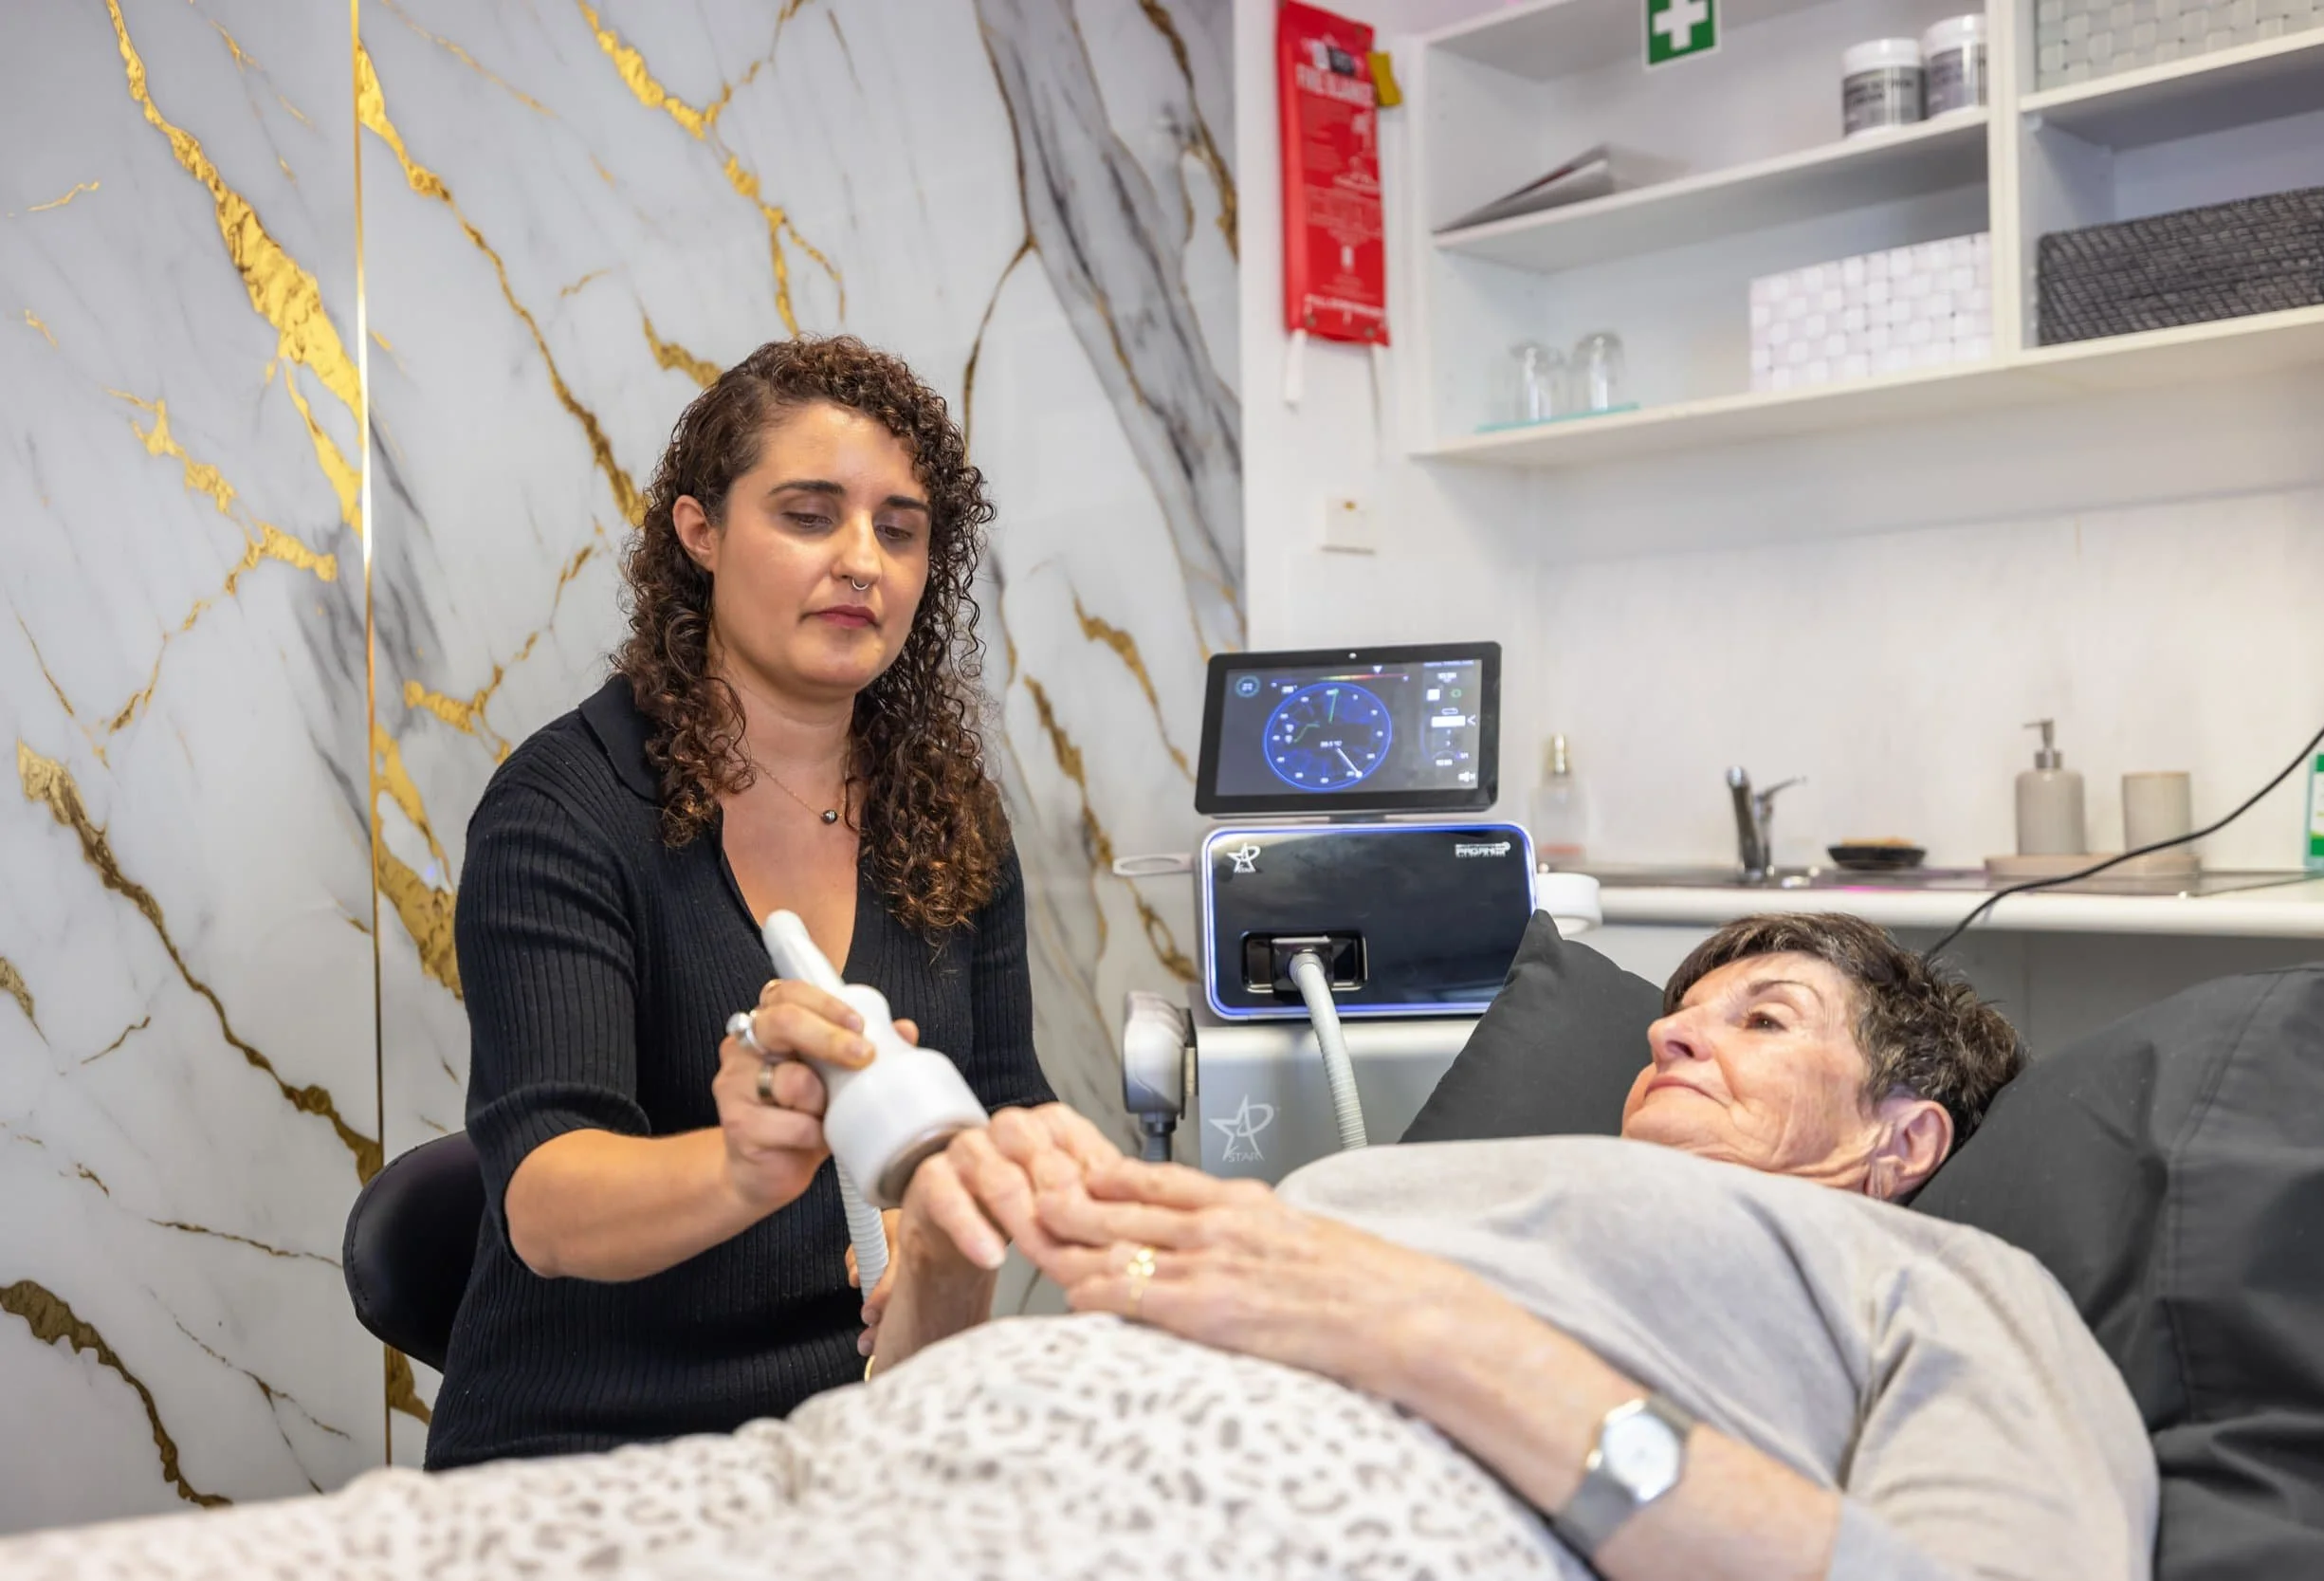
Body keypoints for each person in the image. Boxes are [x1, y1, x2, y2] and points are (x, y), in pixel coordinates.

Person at [4, 914, 2153, 1578]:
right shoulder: (1359, 1198)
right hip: (855, 1499)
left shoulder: (1949, 1285)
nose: (1676, 1022)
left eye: (1759, 1018)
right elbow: (915, 1398)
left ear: (1898, 1140)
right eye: (1678, 1001)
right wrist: (942, 1231)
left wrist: (1427, 1338)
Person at [422, 336, 1056, 1469]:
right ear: (699, 533)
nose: (862, 560)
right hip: (596, 1443)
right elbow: (547, 1203)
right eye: (810, 515)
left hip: (861, 1432)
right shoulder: (563, 811)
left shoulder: (950, 812)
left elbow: (1003, 1110)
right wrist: (739, 1165)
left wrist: (970, 1217)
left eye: (899, 529)